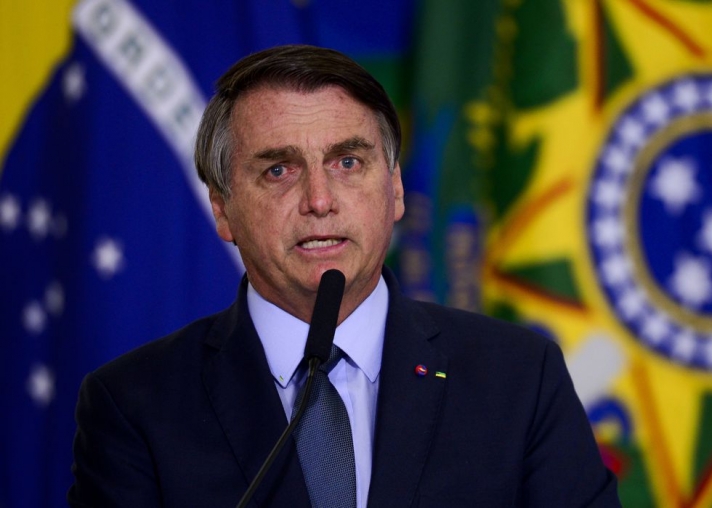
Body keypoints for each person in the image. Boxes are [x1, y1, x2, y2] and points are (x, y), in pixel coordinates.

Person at [68, 44, 620, 507]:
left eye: (348, 162)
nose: (319, 199)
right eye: (278, 170)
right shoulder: (135, 406)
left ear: (396, 188)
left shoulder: (519, 378)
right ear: (222, 209)